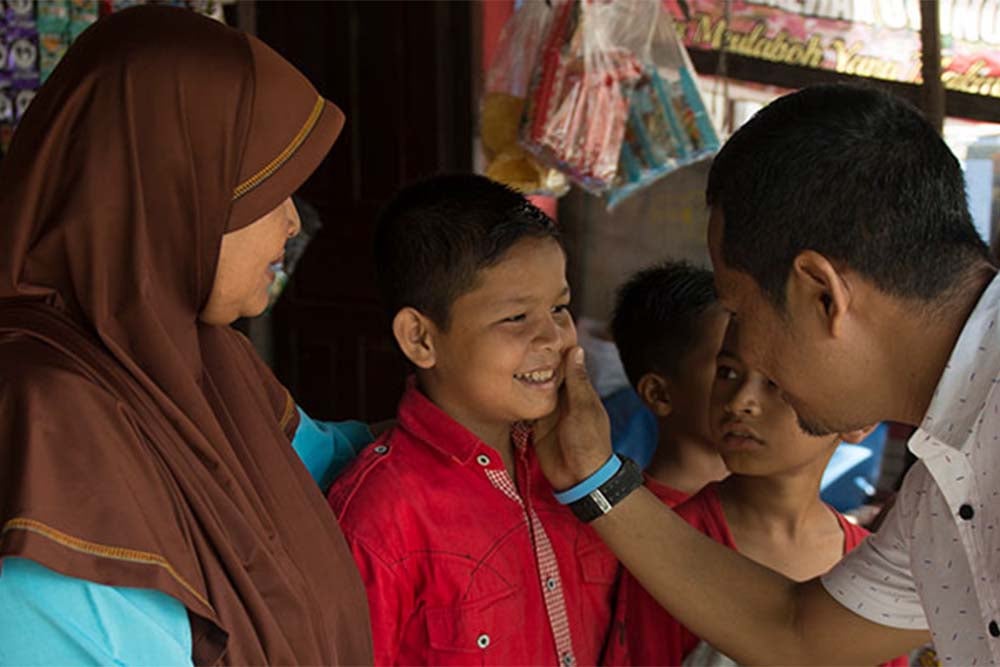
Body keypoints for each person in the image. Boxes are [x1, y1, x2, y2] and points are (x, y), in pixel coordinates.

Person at [538, 83, 1000, 666]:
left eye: (739, 310)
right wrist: (594, 476)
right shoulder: (941, 485)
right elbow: (796, 635)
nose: (743, 349)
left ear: (820, 294)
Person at [0, 7, 373, 665]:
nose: (291, 223)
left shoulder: (200, 357)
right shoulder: (47, 414)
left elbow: (329, 459)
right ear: (171, 192)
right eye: (269, 192)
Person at [327, 174, 618, 666]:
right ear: (420, 338)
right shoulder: (382, 517)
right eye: (516, 318)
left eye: (560, 308)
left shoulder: (576, 466)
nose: (553, 337)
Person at [606, 321, 909, 666]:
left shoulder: (875, 567)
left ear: (859, 420)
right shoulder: (671, 547)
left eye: (777, 382)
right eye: (728, 372)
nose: (739, 402)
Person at [609, 261, 729, 506]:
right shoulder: (632, 525)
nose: (753, 391)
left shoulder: (772, 511)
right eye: (727, 371)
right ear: (658, 394)